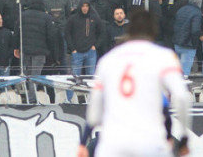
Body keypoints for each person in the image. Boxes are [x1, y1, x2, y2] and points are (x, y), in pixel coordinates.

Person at [77, 11, 192, 157]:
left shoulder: (108, 60)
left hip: (113, 144)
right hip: (150, 142)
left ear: (129, 30)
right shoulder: (163, 56)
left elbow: (95, 107)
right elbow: (182, 97)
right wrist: (184, 137)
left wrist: (82, 143)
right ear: (154, 31)